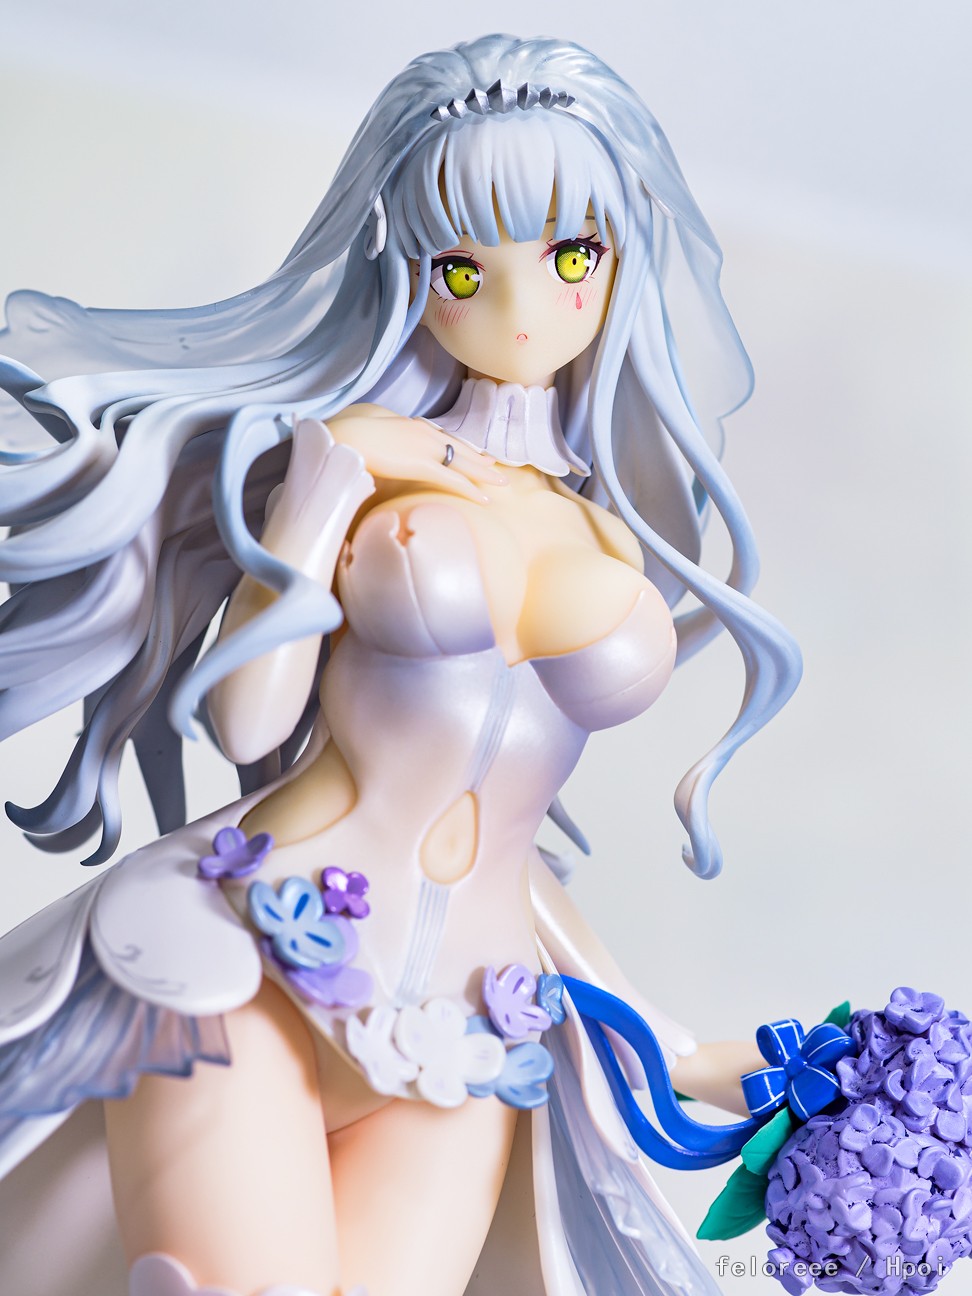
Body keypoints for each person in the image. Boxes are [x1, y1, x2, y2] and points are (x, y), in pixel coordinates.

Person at [0, 32, 802, 1296]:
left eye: (571, 256)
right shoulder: (365, 452)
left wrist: (676, 1048)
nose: (523, 307)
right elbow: (249, 722)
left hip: (469, 1029)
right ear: (412, 271)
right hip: (255, 949)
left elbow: (509, 841)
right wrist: (312, 511)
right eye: (464, 267)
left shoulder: (609, 530)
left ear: (619, 260)